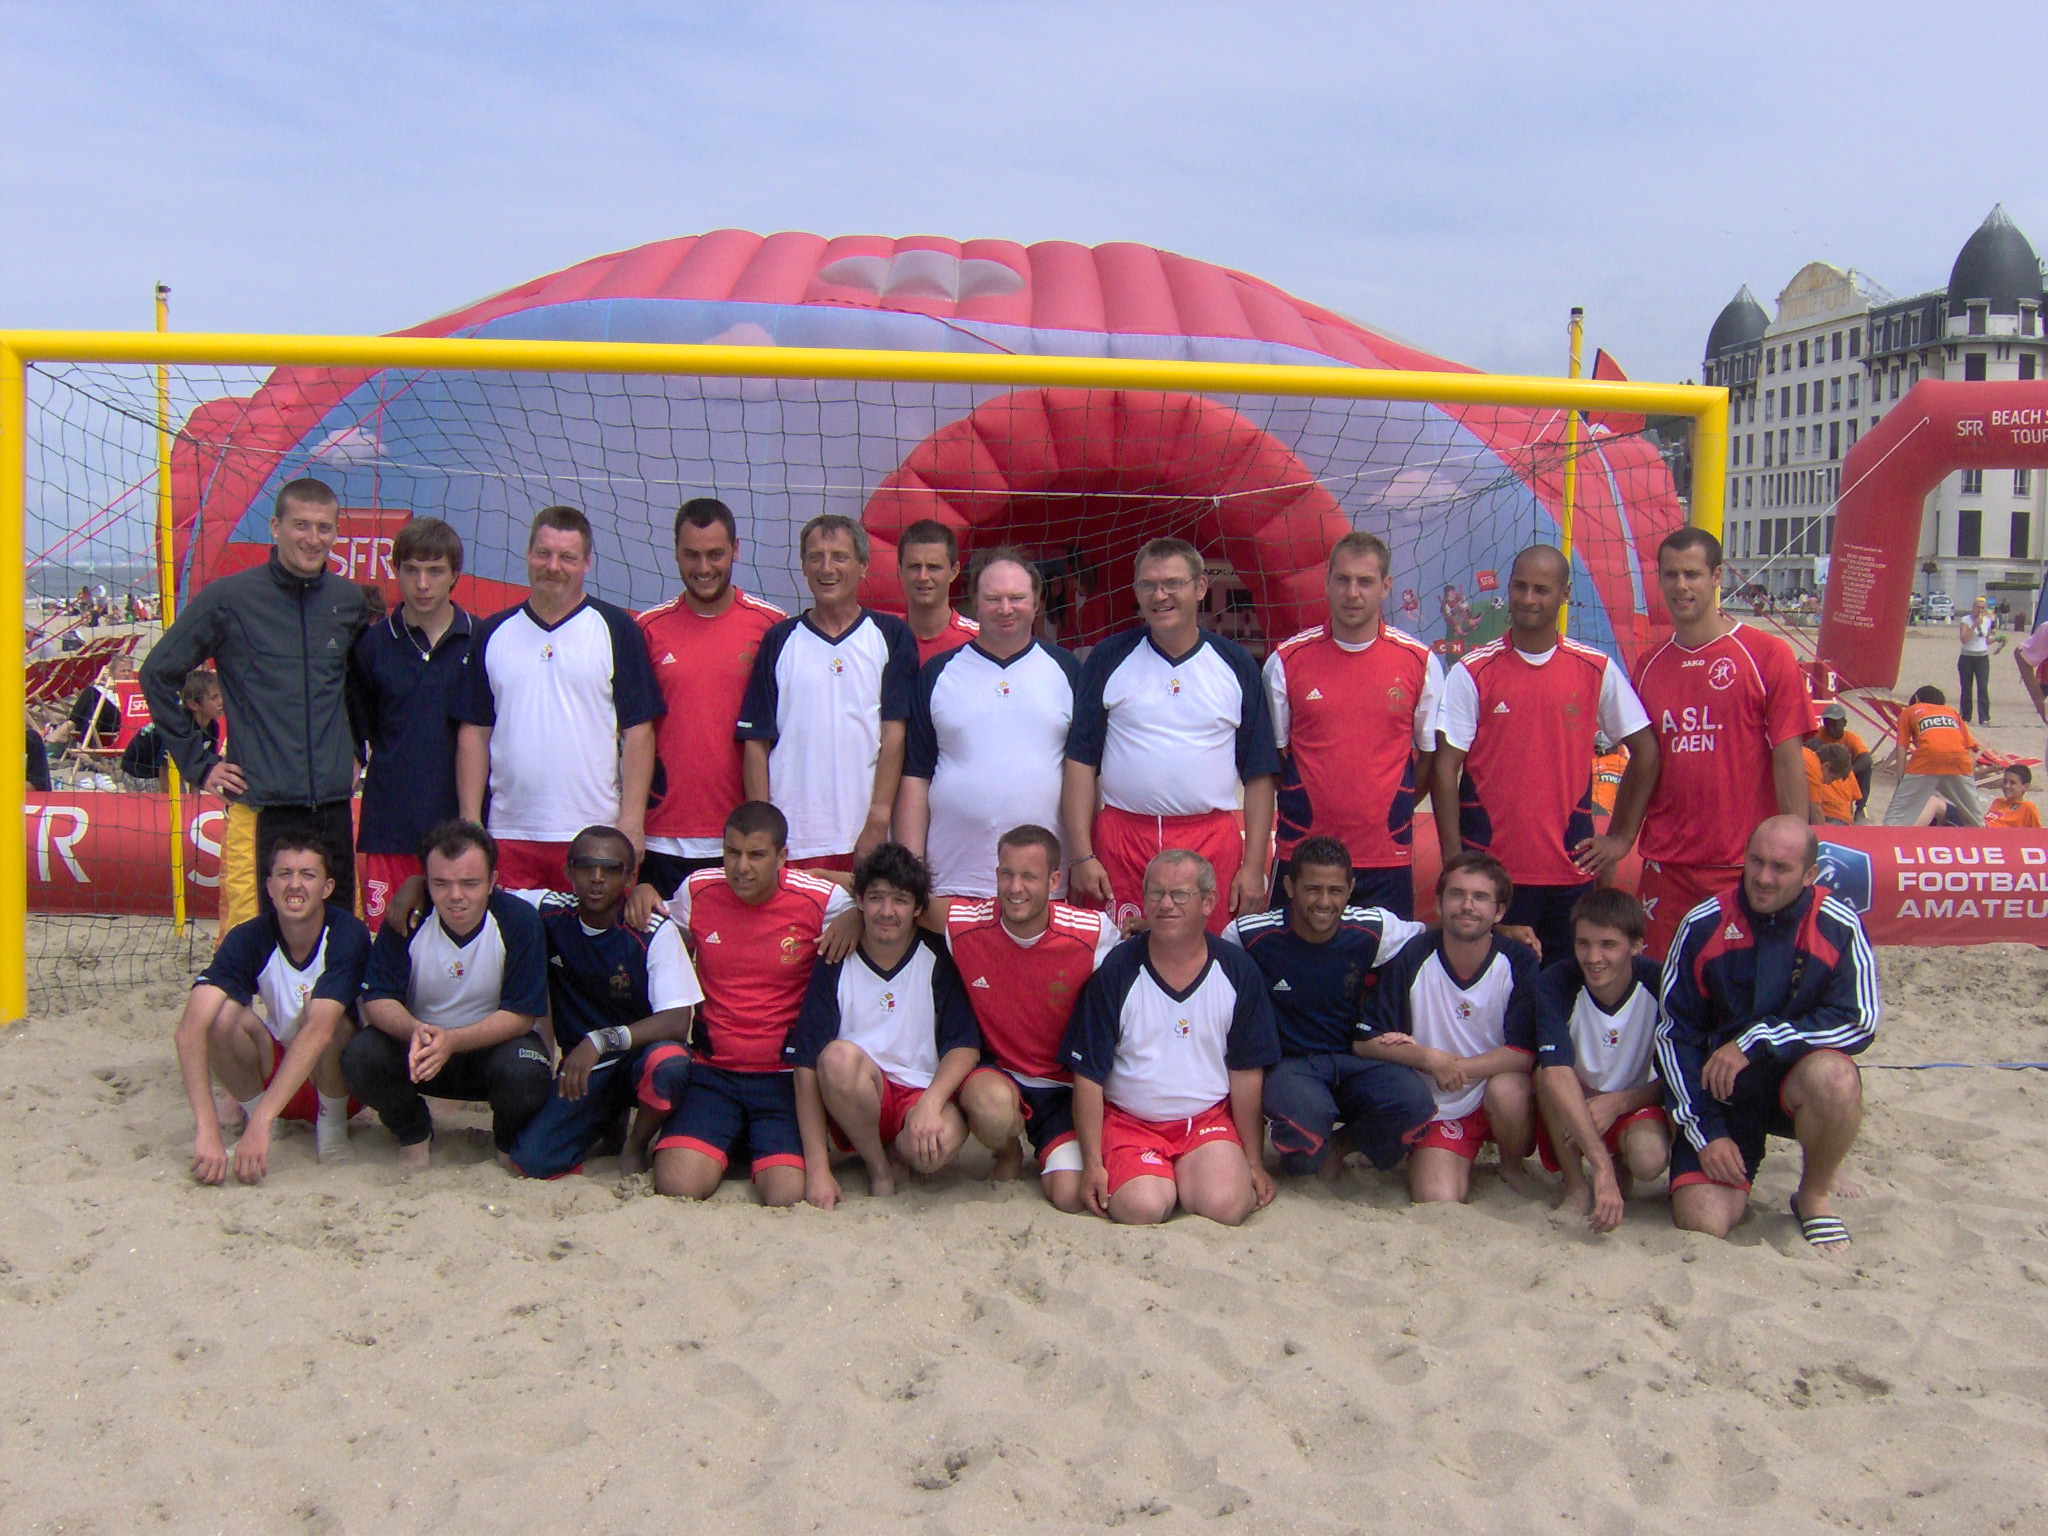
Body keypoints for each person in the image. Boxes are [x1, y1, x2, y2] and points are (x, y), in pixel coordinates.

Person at [141, 478, 368, 930]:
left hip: (333, 810)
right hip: (260, 810)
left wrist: (356, 751)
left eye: (324, 528)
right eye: (300, 525)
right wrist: (199, 764)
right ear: (275, 527)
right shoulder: (230, 599)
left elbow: (354, 688)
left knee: (344, 948)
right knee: (247, 954)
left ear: (336, 533)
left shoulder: (348, 601)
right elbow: (156, 674)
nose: (313, 538)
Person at [1657, 815, 1878, 1248]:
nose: (1763, 877)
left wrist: (1757, 1040)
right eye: (1755, 862)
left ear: (1810, 875)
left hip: (1793, 1089)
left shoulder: (1838, 923)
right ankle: (1729, 1160)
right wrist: (1707, 1132)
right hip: (1721, 1095)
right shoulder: (1704, 923)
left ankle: (1812, 1194)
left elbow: (1860, 1020)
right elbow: (1672, 1036)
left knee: (1835, 1077)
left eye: (1781, 867)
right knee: (1702, 1221)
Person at [1432, 545, 1658, 960]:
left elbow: (1645, 751)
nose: (1529, 599)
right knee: (1498, 996)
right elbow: (1446, 768)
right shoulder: (1473, 670)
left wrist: (1622, 837)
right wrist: (1452, 857)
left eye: (1541, 589)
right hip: (1493, 872)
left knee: (1561, 990)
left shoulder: (1594, 667)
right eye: (1520, 586)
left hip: (1570, 871)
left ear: (1564, 594)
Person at [643, 801, 857, 1205]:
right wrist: (641, 888)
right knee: (677, 1184)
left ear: (782, 858)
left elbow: (888, 894)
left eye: (756, 855)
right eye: (732, 852)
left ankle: (748, 1142)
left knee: (786, 1195)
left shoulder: (821, 901)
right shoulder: (697, 890)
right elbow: (659, 929)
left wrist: (857, 913)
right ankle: (727, 1138)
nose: (741, 867)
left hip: (783, 1077)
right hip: (714, 1071)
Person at [1064, 538, 1281, 935]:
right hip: (1122, 841)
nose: (1159, 595)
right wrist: (1081, 855)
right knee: (1117, 961)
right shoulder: (1108, 658)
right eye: (1148, 585)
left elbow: (1259, 773)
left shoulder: (1236, 665)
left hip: (1209, 841)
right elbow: (1080, 763)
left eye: (1173, 584)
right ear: (1135, 591)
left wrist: (1253, 867)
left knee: (1209, 959)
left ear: (1199, 588)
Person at [1063, 849, 1280, 1225]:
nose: (1165, 904)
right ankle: (1157, 1177)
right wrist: (1093, 1164)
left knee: (1226, 1206)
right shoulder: (1116, 970)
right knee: (1142, 1207)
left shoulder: (1237, 971)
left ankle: (1190, 1174)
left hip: (1205, 1120)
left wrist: (1253, 1162)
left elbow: (1246, 1074)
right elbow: (1088, 1075)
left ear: (1209, 902)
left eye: (1180, 894)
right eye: (1155, 894)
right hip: (1131, 1121)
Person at [454, 505, 663, 891]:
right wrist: (470, 822)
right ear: (528, 555)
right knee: (515, 951)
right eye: (543, 553)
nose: (554, 566)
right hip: (509, 833)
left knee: (591, 950)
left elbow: (639, 731)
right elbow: (474, 731)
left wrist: (632, 820)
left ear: (586, 563)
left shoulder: (616, 629)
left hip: (593, 837)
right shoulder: (493, 632)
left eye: (567, 557)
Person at [1630, 529, 1815, 959]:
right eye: (1672, 575)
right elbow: (1644, 765)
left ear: (1717, 577)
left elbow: (1789, 759)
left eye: (1692, 574)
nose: (1681, 586)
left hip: (1742, 865)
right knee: (1664, 989)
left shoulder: (1766, 654)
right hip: (1667, 865)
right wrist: (1621, 837)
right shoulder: (1647, 665)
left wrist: (1797, 848)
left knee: (1739, 993)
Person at [1224, 835, 1435, 1181]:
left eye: (1335, 890)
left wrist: (1501, 933)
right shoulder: (1249, 935)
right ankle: (1304, 1159)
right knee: (1305, 1123)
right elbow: (1207, 965)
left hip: (1355, 1059)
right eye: (1312, 889)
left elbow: (1433, 940)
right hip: (1289, 1066)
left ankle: (1338, 1147)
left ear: (1351, 888)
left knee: (1415, 1105)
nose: (1324, 901)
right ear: (1290, 887)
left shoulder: (1373, 927)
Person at [345, 821, 553, 1166]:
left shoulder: (518, 920)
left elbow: (521, 1015)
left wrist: (453, 1040)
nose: (455, 895)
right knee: (360, 1056)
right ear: (425, 882)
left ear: (492, 882)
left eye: (469, 883)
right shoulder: (407, 915)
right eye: (442, 883)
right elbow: (377, 997)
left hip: (491, 1051)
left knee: (528, 1071)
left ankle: (506, 1143)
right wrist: (416, 1032)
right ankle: (413, 1132)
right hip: (421, 1050)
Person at [787, 844, 981, 1205]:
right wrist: (817, 1169)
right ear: (859, 901)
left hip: (918, 1092)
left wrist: (931, 1104)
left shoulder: (937, 957)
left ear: (919, 908)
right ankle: (878, 1166)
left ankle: (898, 1152)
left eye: (900, 900)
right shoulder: (835, 956)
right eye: (875, 898)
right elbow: (806, 1063)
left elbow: (964, 1044)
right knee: (835, 1059)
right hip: (859, 1093)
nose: (887, 912)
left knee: (934, 1150)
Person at [939, 824, 1119, 1211]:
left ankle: (1049, 1150)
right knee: (991, 1109)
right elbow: (903, 903)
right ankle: (1006, 1150)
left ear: (1055, 880)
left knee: (1070, 1197)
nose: (1015, 887)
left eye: (1029, 876)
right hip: (998, 1075)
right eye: (1007, 874)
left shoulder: (1093, 934)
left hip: (1061, 1087)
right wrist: (852, 916)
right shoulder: (965, 923)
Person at [173, 835, 372, 1184]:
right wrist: (207, 1131)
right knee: (220, 1018)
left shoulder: (348, 933)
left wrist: (261, 1120)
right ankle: (262, 1123)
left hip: (338, 1080)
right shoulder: (247, 936)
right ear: (269, 886)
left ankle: (331, 1129)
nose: (294, 884)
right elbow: (189, 1029)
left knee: (322, 1012)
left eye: (307, 875)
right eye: (284, 874)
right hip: (276, 1077)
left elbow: (320, 1031)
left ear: (327, 887)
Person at [1264, 531, 1443, 918]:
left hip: (1385, 854)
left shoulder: (1420, 661)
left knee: (1385, 972)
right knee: (1293, 970)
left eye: (1365, 581)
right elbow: (1277, 758)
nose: (1352, 592)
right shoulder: (1286, 660)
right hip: (1304, 855)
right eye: (1343, 579)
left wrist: (1392, 812)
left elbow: (1427, 758)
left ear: (1386, 586)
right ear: (1327, 581)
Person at [1354, 851, 1539, 1205]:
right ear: (1438, 904)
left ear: (1499, 912)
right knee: (1436, 1198)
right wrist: (1424, 1056)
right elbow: (1364, 1040)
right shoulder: (1414, 954)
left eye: (1481, 897)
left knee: (1510, 1091)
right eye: (1457, 894)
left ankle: (1511, 1165)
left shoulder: (1518, 961)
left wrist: (1454, 1067)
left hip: (1493, 1094)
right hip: (1440, 1102)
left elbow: (1524, 1054)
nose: (1467, 905)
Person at [738, 514, 918, 871]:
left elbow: (894, 737)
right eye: (815, 557)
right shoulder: (780, 639)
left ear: (863, 566)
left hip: (863, 837)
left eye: (839, 556)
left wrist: (878, 821)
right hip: (792, 838)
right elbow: (756, 742)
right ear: (803, 566)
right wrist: (763, 833)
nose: (827, 568)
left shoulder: (891, 635)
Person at [898, 548, 1078, 899]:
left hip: (1045, 885)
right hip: (952, 877)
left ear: (1037, 602)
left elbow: (1086, 777)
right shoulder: (937, 673)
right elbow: (915, 778)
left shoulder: (1069, 671)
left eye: (1017, 598)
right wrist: (911, 868)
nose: (1005, 608)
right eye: (993, 598)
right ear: (974, 602)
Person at [636, 498, 787, 899]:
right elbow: (633, 734)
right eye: (691, 555)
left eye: (715, 554)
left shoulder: (772, 627)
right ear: (676, 553)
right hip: (661, 840)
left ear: (736, 549)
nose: (703, 568)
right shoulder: (648, 629)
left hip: (740, 845)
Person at [349, 518, 473, 931]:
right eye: (411, 570)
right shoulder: (370, 647)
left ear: (455, 574)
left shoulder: (484, 640)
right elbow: (360, 733)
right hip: (391, 830)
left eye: (435, 570)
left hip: (462, 832)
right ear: (395, 570)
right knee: (390, 951)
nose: (422, 583)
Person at [1530, 888, 1669, 1233]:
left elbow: (1677, 1077)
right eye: (1583, 944)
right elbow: (1556, 1069)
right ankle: (1576, 1184)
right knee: (1546, 1077)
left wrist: (1617, 1103)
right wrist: (1599, 1170)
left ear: (1635, 945)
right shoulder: (1556, 982)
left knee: (1649, 1160)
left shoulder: (1661, 983)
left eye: (1608, 944)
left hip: (1632, 1100)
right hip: (1577, 1098)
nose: (1593, 957)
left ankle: (1618, 1161)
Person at [1883, 685, 1983, 826]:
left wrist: (1901, 780)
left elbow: (1902, 748)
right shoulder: (1951, 712)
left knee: (1896, 816)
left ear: (1917, 698)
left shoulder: (1909, 711)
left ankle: (1888, 843)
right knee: (1974, 817)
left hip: (1926, 761)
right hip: (1959, 762)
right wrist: (1967, 778)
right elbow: (1970, 750)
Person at [896, 518, 981, 665]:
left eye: (933, 567)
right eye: (914, 566)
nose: (923, 577)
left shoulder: (979, 641)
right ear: (900, 570)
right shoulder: (882, 639)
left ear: (954, 572)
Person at [121, 669, 224, 785]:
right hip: (139, 771)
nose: (221, 701)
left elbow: (202, 767)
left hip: (163, 771)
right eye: (214, 698)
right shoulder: (179, 726)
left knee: (187, 798)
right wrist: (167, 801)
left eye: (221, 695)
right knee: (170, 799)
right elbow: (165, 767)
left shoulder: (212, 726)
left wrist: (195, 800)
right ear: (193, 704)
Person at [48, 652, 135, 749]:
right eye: (123, 671)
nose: (127, 674)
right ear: (112, 673)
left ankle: (68, 727)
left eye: (129, 671)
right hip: (102, 722)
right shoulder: (106, 689)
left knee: (91, 692)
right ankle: (87, 746)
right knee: (93, 706)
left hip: (121, 722)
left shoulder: (136, 687)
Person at [1808, 702, 1872, 820]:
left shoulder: (1851, 738)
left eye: (1835, 724)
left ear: (1844, 723)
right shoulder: (1818, 735)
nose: (1831, 729)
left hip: (1842, 773)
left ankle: (1860, 807)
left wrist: (1847, 771)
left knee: (1866, 769)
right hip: (1821, 771)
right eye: (1827, 724)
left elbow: (1866, 759)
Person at [1956, 596, 2004, 726]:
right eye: (1978, 607)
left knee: (1982, 687)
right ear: (1973, 607)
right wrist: (1974, 625)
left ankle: (1984, 717)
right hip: (1967, 657)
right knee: (1966, 687)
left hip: (1982, 657)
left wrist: (1997, 639)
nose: (1980, 610)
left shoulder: (1987, 621)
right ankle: (1965, 715)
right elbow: (1964, 639)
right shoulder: (1966, 620)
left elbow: (1987, 639)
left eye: (1982, 608)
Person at [1806, 743, 1858, 826]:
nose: (1830, 783)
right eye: (1833, 778)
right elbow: (1815, 811)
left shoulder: (1807, 754)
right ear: (1826, 766)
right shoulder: (1814, 770)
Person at [1985, 764, 2041, 828]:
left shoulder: (2027, 808)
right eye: (2005, 781)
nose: (2007, 786)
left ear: (2025, 787)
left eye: (2012, 783)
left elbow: (2038, 834)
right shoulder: (1998, 802)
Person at [1589, 736, 1628, 821]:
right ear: (1616, 748)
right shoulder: (1626, 764)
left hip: (1591, 808)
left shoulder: (1592, 764)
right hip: (1609, 814)